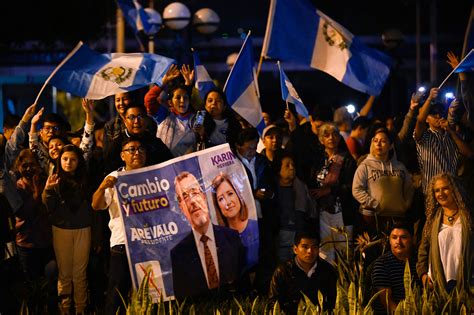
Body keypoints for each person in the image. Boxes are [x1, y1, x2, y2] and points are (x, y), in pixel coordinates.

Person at [91, 137, 147, 315]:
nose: (136, 152)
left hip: (149, 244)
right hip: (122, 244)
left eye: (140, 149)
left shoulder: (154, 175)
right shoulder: (114, 177)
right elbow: (96, 205)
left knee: (148, 294)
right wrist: (101, 188)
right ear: (122, 156)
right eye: (131, 149)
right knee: (117, 296)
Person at [171, 171, 244, 299]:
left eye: (194, 192)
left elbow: (244, 286)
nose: (192, 201)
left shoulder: (232, 238)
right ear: (181, 207)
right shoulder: (178, 254)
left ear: (204, 196)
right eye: (185, 197)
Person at [42, 145, 92, 314]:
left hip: (83, 229)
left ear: (79, 161)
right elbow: (48, 207)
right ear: (59, 160)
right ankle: (64, 309)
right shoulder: (55, 179)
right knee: (64, 273)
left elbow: (94, 210)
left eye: (73, 159)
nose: (68, 162)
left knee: (80, 273)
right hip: (61, 229)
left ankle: (80, 309)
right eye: (65, 159)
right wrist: (48, 190)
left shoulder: (86, 180)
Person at [417, 173, 474, 294]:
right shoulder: (432, 220)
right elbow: (423, 251)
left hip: (468, 281)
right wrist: (423, 275)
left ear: (454, 189)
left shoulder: (469, 217)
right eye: (437, 190)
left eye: (445, 188)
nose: (441, 194)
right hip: (438, 285)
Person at [311, 123, 357, 264]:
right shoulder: (318, 159)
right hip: (322, 213)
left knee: (344, 255)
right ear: (321, 140)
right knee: (325, 253)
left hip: (341, 212)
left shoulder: (347, 160)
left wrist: (329, 190)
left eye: (335, 134)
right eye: (326, 135)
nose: (331, 138)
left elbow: (351, 187)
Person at [352, 128, 414, 233]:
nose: (378, 144)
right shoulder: (365, 165)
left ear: (390, 146)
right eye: (375, 141)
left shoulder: (400, 166)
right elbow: (357, 189)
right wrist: (374, 204)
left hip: (397, 217)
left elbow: (409, 188)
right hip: (372, 218)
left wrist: (406, 204)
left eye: (383, 141)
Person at [269, 231, 336, 314]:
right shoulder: (283, 271)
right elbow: (273, 303)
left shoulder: (327, 270)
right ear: (295, 249)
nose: (310, 251)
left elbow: (333, 302)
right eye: (305, 247)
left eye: (314, 247)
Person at [274, 153, 317, 262]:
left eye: (293, 165)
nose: (292, 168)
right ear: (279, 170)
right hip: (280, 235)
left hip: (299, 234)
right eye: (287, 166)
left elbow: (309, 211)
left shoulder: (301, 187)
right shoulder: (273, 191)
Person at [211, 173, 259, 269]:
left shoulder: (257, 227)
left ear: (238, 195)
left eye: (230, 194)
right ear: (217, 206)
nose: (228, 202)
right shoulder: (217, 239)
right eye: (221, 199)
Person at [371, 222, 420, 314]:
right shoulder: (382, 263)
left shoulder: (419, 262)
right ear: (389, 240)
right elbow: (387, 301)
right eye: (394, 237)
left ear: (412, 239)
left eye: (403, 237)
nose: (398, 242)